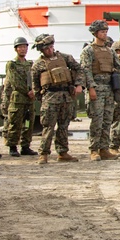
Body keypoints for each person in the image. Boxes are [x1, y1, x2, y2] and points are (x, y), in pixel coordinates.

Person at [31, 33, 83, 164]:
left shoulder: (65, 58)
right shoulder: (38, 65)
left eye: (50, 47)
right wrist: (42, 98)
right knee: (48, 127)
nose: (49, 50)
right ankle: (43, 153)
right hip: (50, 98)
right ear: (41, 50)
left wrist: (79, 84)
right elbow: (35, 85)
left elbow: (80, 70)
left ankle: (63, 152)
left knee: (64, 126)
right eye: (45, 49)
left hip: (66, 97)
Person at [79, 20, 120, 160]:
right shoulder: (88, 51)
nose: (105, 34)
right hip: (96, 88)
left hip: (109, 89)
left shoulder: (110, 51)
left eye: (106, 31)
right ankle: (94, 149)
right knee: (96, 121)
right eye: (102, 31)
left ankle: (104, 148)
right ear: (95, 33)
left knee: (107, 120)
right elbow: (86, 70)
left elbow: (119, 69)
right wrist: (91, 88)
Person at [2, 36, 37, 157]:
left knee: (28, 123)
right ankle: (12, 146)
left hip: (29, 100)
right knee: (15, 123)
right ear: (16, 49)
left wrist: (34, 90)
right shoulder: (12, 64)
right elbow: (15, 82)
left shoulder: (30, 64)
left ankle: (25, 146)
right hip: (18, 99)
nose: (23, 49)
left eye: (25, 47)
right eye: (20, 47)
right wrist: (28, 91)